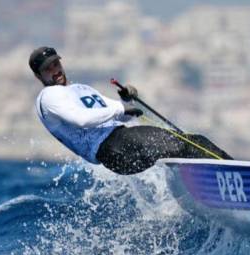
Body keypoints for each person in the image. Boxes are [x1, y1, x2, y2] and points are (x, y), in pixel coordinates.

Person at [29, 46, 232, 175]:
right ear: (39, 76)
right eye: (48, 69)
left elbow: (115, 111)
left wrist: (125, 99)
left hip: (120, 148)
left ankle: (225, 174)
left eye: (56, 64)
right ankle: (233, 172)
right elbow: (82, 120)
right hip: (112, 146)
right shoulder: (49, 96)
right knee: (182, 144)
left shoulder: (79, 89)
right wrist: (120, 107)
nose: (55, 71)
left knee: (193, 141)